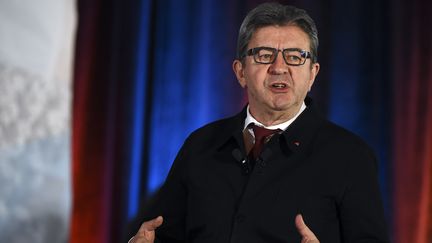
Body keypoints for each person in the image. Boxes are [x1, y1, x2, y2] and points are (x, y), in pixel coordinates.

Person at [130, 2, 389, 243]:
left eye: (295, 56)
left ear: (312, 74)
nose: (279, 67)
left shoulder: (350, 156)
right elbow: (163, 234)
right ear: (240, 71)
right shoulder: (199, 146)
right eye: (264, 55)